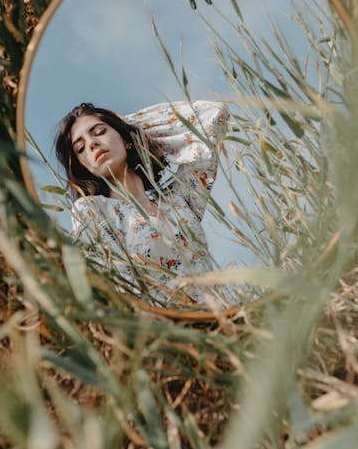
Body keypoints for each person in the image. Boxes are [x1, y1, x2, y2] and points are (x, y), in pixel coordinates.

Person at [54, 100, 229, 305]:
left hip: (224, 316)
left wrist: (132, 127)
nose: (91, 144)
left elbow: (215, 116)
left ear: (125, 138)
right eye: (81, 148)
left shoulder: (177, 199)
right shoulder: (93, 211)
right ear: (85, 168)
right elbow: (117, 290)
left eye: (100, 131)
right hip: (169, 327)